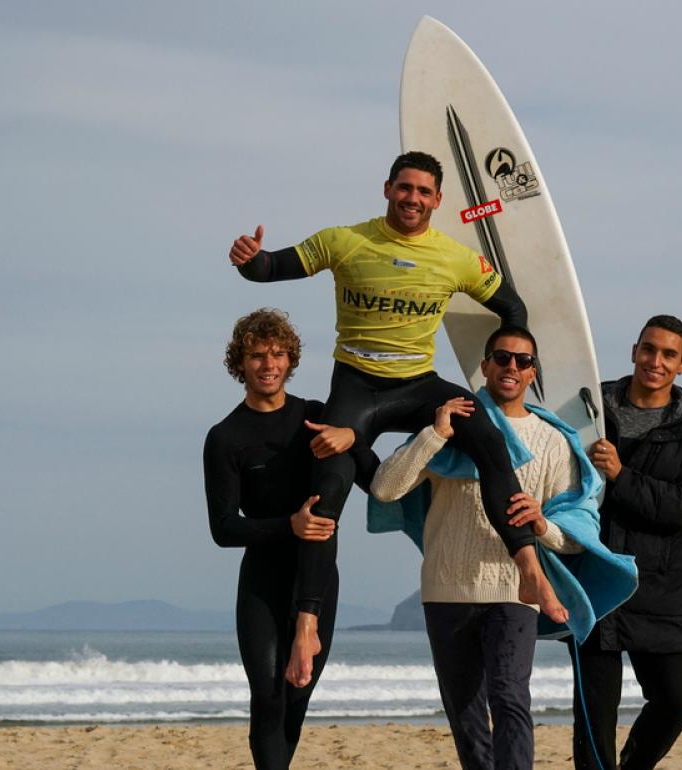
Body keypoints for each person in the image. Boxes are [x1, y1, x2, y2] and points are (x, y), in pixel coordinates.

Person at [229, 151, 566, 688]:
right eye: (404, 188)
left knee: (487, 437)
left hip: (419, 385)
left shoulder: (455, 259)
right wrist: (250, 259)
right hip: (356, 388)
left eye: (423, 192)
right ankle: (307, 625)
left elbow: (513, 310)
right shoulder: (346, 242)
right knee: (326, 490)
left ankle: (527, 564)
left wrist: (500, 373)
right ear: (387, 188)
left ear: (437, 200)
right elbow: (271, 268)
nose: (412, 199)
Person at [370, 327, 585, 770]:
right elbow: (385, 489)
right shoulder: (455, 426)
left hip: (514, 590)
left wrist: (542, 525)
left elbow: (574, 532)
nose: (511, 367)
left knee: (509, 698)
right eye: (501, 358)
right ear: (483, 366)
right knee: (466, 721)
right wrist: (435, 434)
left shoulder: (553, 441)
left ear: (533, 373)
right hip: (446, 589)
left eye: (522, 361)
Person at [202, 308, 377, 769]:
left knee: (297, 696)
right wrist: (288, 526)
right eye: (257, 355)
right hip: (262, 579)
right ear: (239, 363)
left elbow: (373, 477)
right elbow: (223, 528)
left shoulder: (315, 417)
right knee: (268, 696)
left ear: (291, 359)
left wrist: (352, 436)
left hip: (316, 581)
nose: (268, 364)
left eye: (278, 354)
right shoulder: (225, 437)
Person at [569, 315, 682, 770]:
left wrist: (621, 476)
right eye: (649, 349)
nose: (656, 361)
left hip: (663, 588)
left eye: (668, 354)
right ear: (634, 350)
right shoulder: (590, 411)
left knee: (676, 700)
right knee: (593, 716)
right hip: (595, 580)